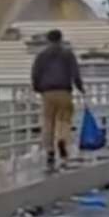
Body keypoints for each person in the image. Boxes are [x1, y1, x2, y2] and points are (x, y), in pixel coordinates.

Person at [31, 29, 84, 168]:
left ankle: (49, 150)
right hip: (64, 90)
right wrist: (80, 87)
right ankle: (61, 140)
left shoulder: (41, 55)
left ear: (48, 40)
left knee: (48, 121)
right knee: (64, 120)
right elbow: (75, 74)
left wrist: (37, 87)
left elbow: (35, 73)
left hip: (47, 92)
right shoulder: (68, 54)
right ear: (61, 39)